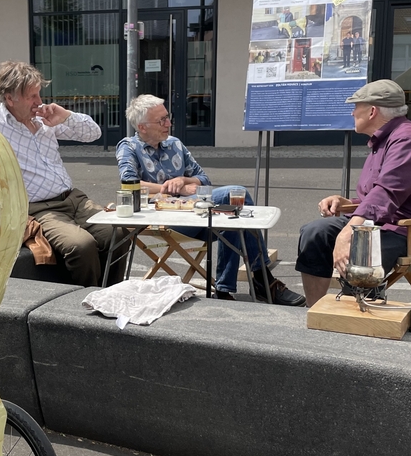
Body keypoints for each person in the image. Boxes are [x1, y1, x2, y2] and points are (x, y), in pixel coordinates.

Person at [117, 95, 305, 306]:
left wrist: (183, 179)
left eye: (167, 118)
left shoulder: (175, 144)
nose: (168, 124)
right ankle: (263, 280)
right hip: (167, 220)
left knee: (233, 218)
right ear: (142, 127)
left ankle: (224, 292)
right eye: (161, 120)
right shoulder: (129, 147)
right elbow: (128, 183)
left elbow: (204, 180)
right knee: (236, 193)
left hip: (197, 214)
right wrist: (168, 189)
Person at [296, 80, 411, 306]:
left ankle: (357, 318)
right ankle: (315, 308)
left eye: (356, 107)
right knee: (316, 232)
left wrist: (347, 232)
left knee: (360, 247)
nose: (352, 112)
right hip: (386, 223)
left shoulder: (409, 139)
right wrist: (348, 203)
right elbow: (377, 196)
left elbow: (387, 194)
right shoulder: (383, 140)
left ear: (372, 111)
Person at [0, 61, 127, 287]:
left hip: (74, 198)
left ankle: (112, 291)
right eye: (32, 96)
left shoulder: (44, 117)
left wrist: (66, 116)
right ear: (10, 98)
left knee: (117, 233)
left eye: (39, 94)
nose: (39, 101)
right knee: (81, 246)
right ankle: (86, 302)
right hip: (40, 208)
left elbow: (94, 133)